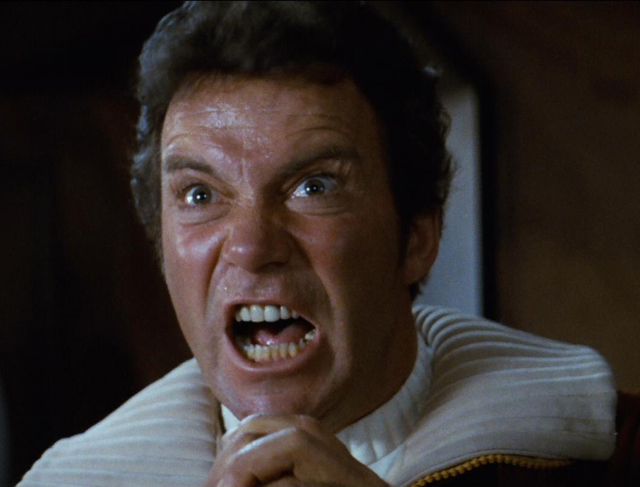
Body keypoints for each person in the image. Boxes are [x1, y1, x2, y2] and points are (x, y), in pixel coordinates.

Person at [19, 2, 620, 486]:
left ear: (417, 237)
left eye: (314, 186)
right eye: (200, 195)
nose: (252, 247)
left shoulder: (614, 455)